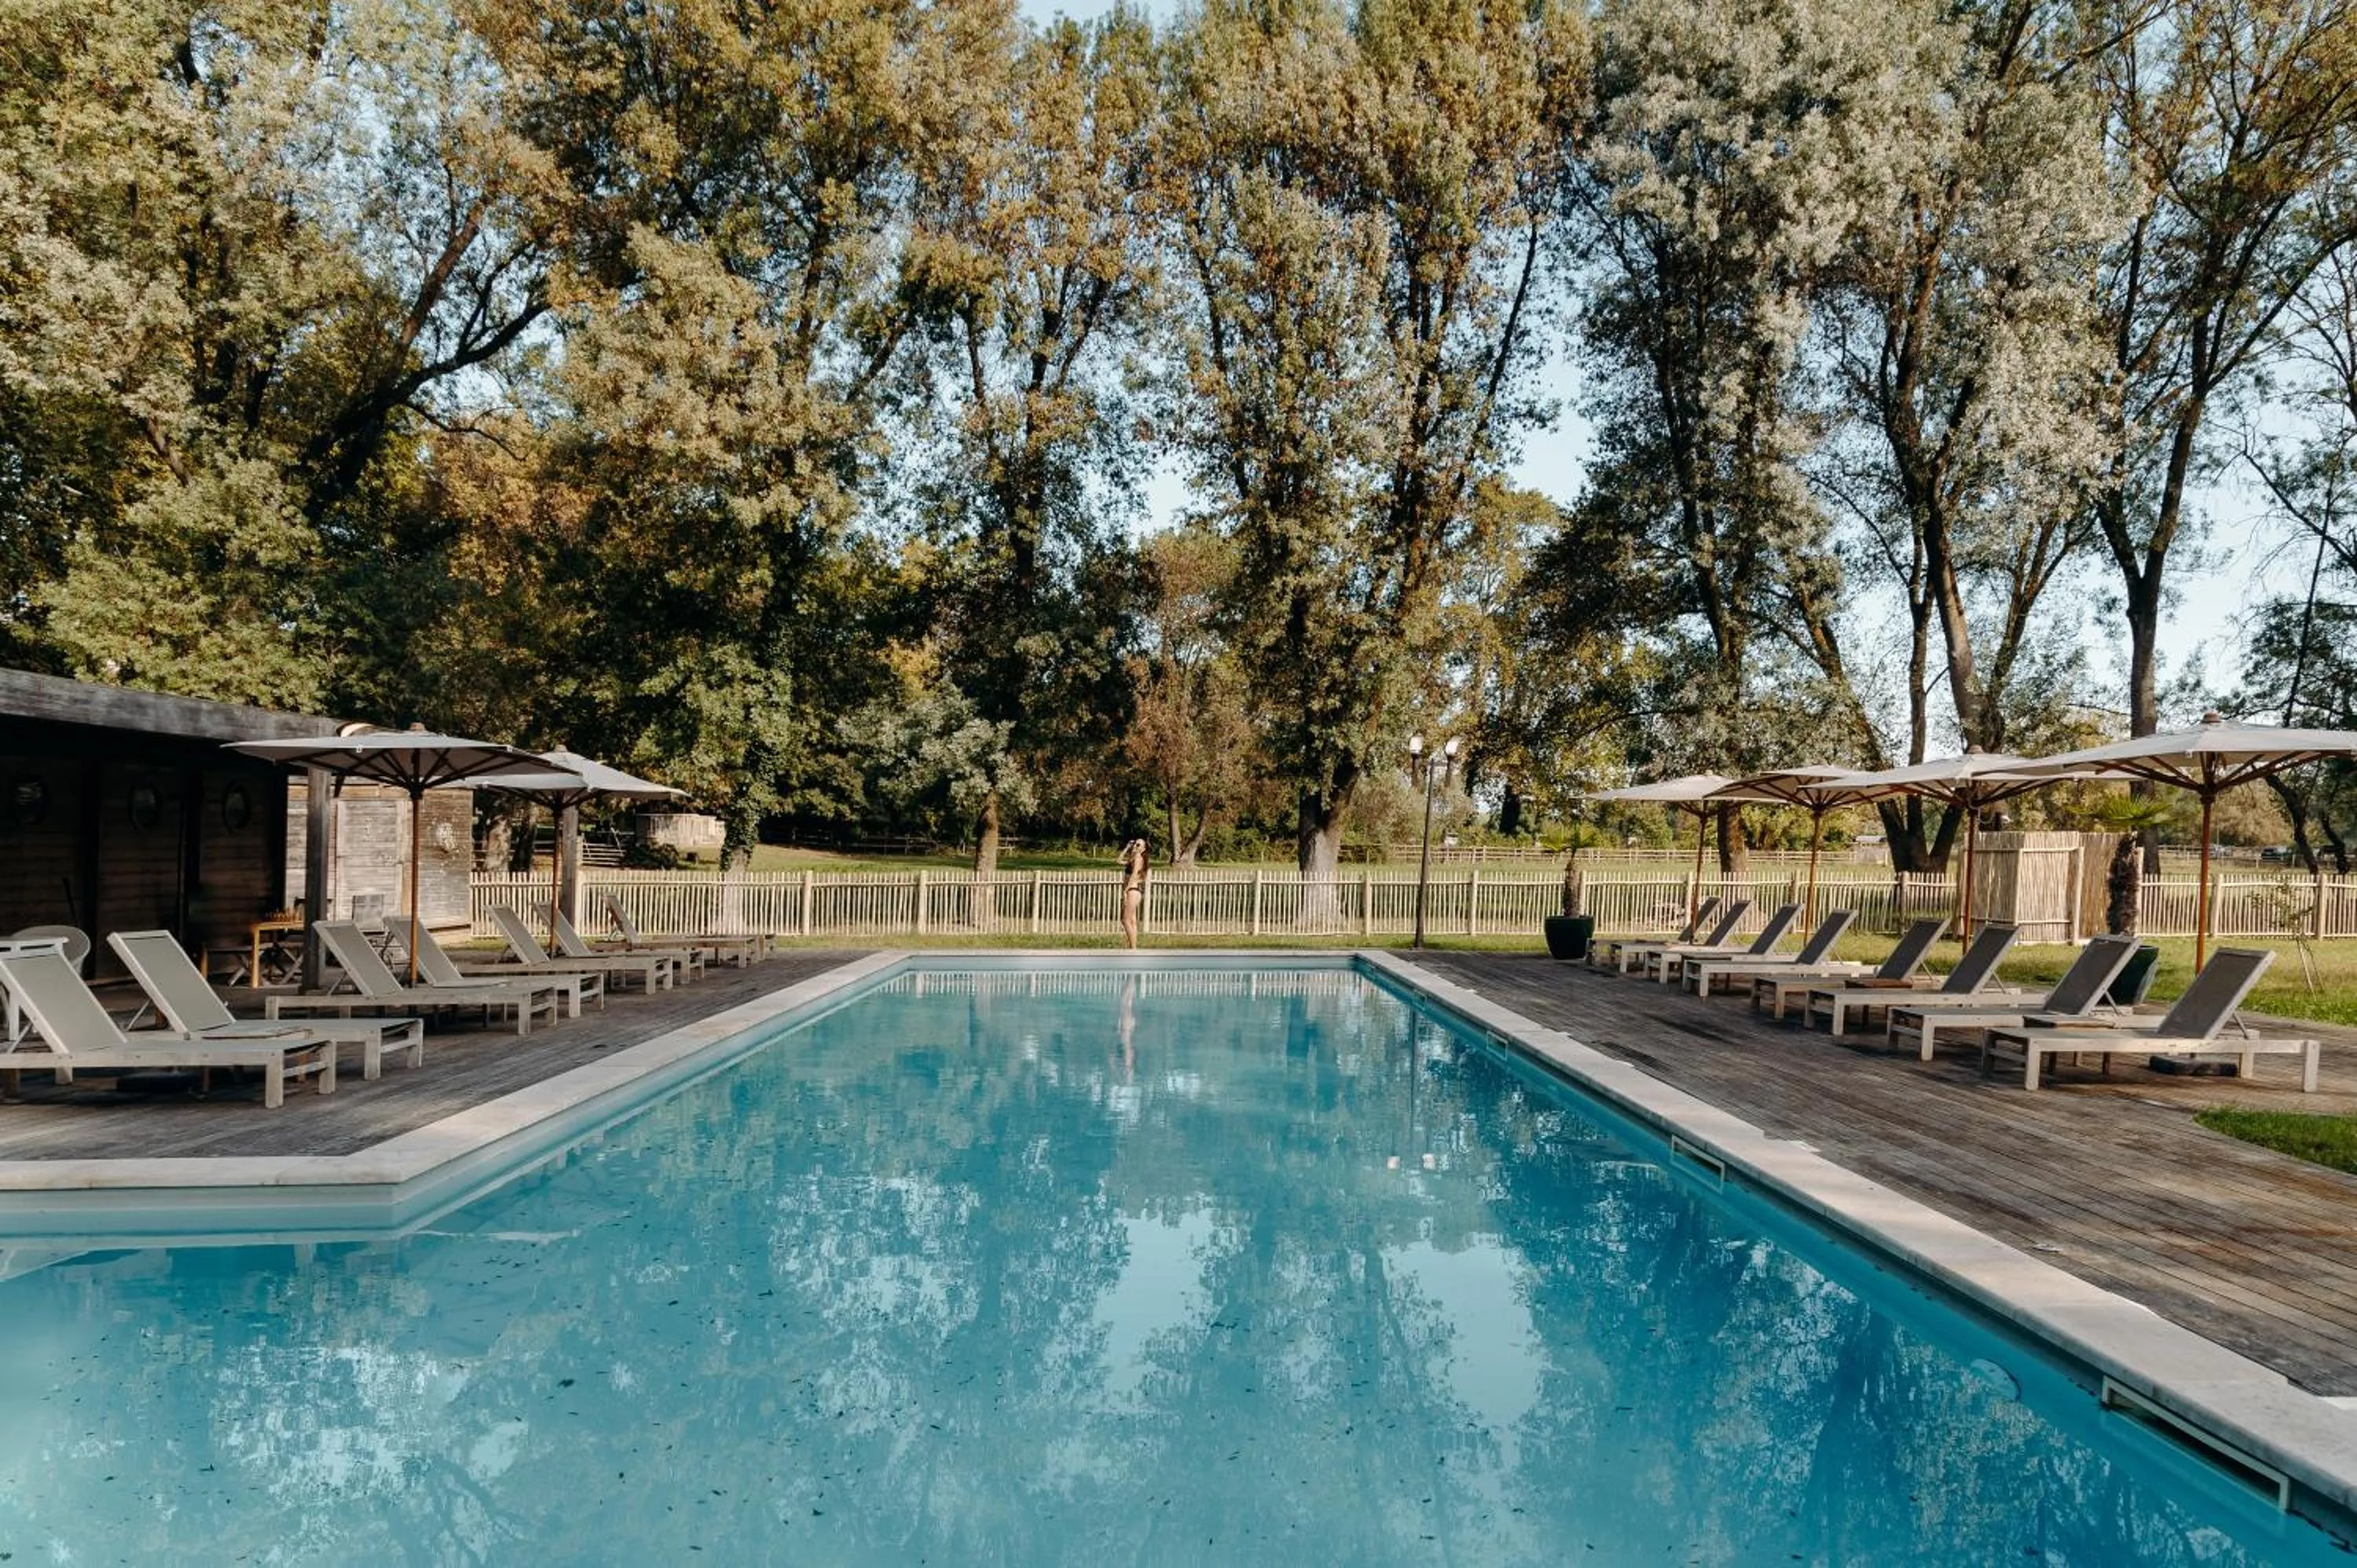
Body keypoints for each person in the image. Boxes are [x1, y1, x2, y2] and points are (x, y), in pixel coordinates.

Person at [1117, 835, 1150, 950]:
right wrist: (1127, 847)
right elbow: (1117, 861)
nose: (1135, 846)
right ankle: (1133, 947)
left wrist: (1125, 891)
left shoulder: (1138, 859)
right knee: (1132, 921)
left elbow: (1134, 875)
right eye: (1135, 843)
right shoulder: (1133, 858)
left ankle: (1133, 948)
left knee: (1125, 919)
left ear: (1144, 849)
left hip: (1132, 891)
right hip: (1134, 891)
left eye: (1138, 845)